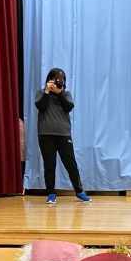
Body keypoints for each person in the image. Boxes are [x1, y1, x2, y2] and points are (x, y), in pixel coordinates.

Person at [35, 67, 91, 205]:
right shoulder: (41, 93)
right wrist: (47, 92)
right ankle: (51, 194)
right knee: (49, 165)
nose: (58, 83)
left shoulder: (66, 94)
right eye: (55, 80)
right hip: (45, 134)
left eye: (61, 81)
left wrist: (59, 93)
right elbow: (41, 107)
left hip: (63, 134)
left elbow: (69, 107)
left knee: (71, 164)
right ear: (49, 80)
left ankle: (79, 191)